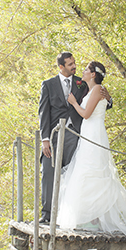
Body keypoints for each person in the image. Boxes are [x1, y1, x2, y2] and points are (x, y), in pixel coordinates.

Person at [54, 62, 126, 233]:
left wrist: (74, 103)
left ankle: (94, 218)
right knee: (86, 171)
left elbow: (86, 114)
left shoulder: (98, 89)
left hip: (94, 133)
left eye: (85, 70)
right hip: (88, 134)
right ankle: (88, 216)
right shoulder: (92, 90)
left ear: (93, 75)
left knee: (93, 171)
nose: (82, 72)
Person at [37, 52, 87, 223]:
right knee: (48, 173)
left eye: (74, 62)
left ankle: (74, 216)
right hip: (53, 135)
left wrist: (107, 100)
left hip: (75, 134)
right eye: (70, 64)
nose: (74, 66)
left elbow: (94, 98)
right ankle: (47, 216)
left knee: (76, 174)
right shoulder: (48, 85)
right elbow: (43, 113)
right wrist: (45, 139)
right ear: (61, 67)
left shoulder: (81, 83)